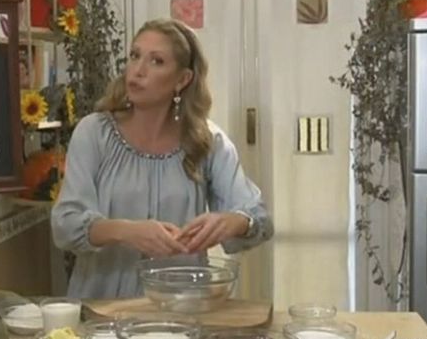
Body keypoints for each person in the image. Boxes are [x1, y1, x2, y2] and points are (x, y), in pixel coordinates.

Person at [50, 18, 274, 299]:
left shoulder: (207, 142)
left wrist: (234, 221)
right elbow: (65, 225)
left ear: (182, 80)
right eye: (135, 56)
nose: (138, 70)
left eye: (156, 61)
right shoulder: (95, 133)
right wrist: (126, 231)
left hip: (182, 308)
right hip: (103, 307)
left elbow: (261, 219)